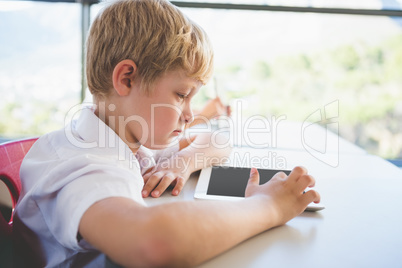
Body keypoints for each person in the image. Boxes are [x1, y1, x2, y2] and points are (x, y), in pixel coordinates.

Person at [14, 0, 321, 267]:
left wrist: (183, 161)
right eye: (180, 95)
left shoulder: (127, 136)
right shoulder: (83, 169)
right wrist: (268, 207)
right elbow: (157, 242)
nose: (190, 114)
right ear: (127, 79)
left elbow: (217, 140)